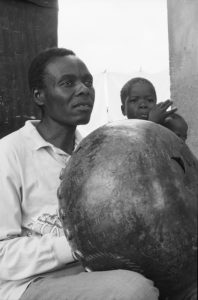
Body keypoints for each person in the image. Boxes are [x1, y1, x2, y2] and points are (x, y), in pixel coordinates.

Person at [0, 48, 159, 300]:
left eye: (88, 82)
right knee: (132, 290)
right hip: (29, 285)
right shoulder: (9, 153)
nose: (84, 89)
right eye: (67, 83)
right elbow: (2, 256)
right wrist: (77, 245)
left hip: (90, 272)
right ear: (39, 95)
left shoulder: (93, 153)